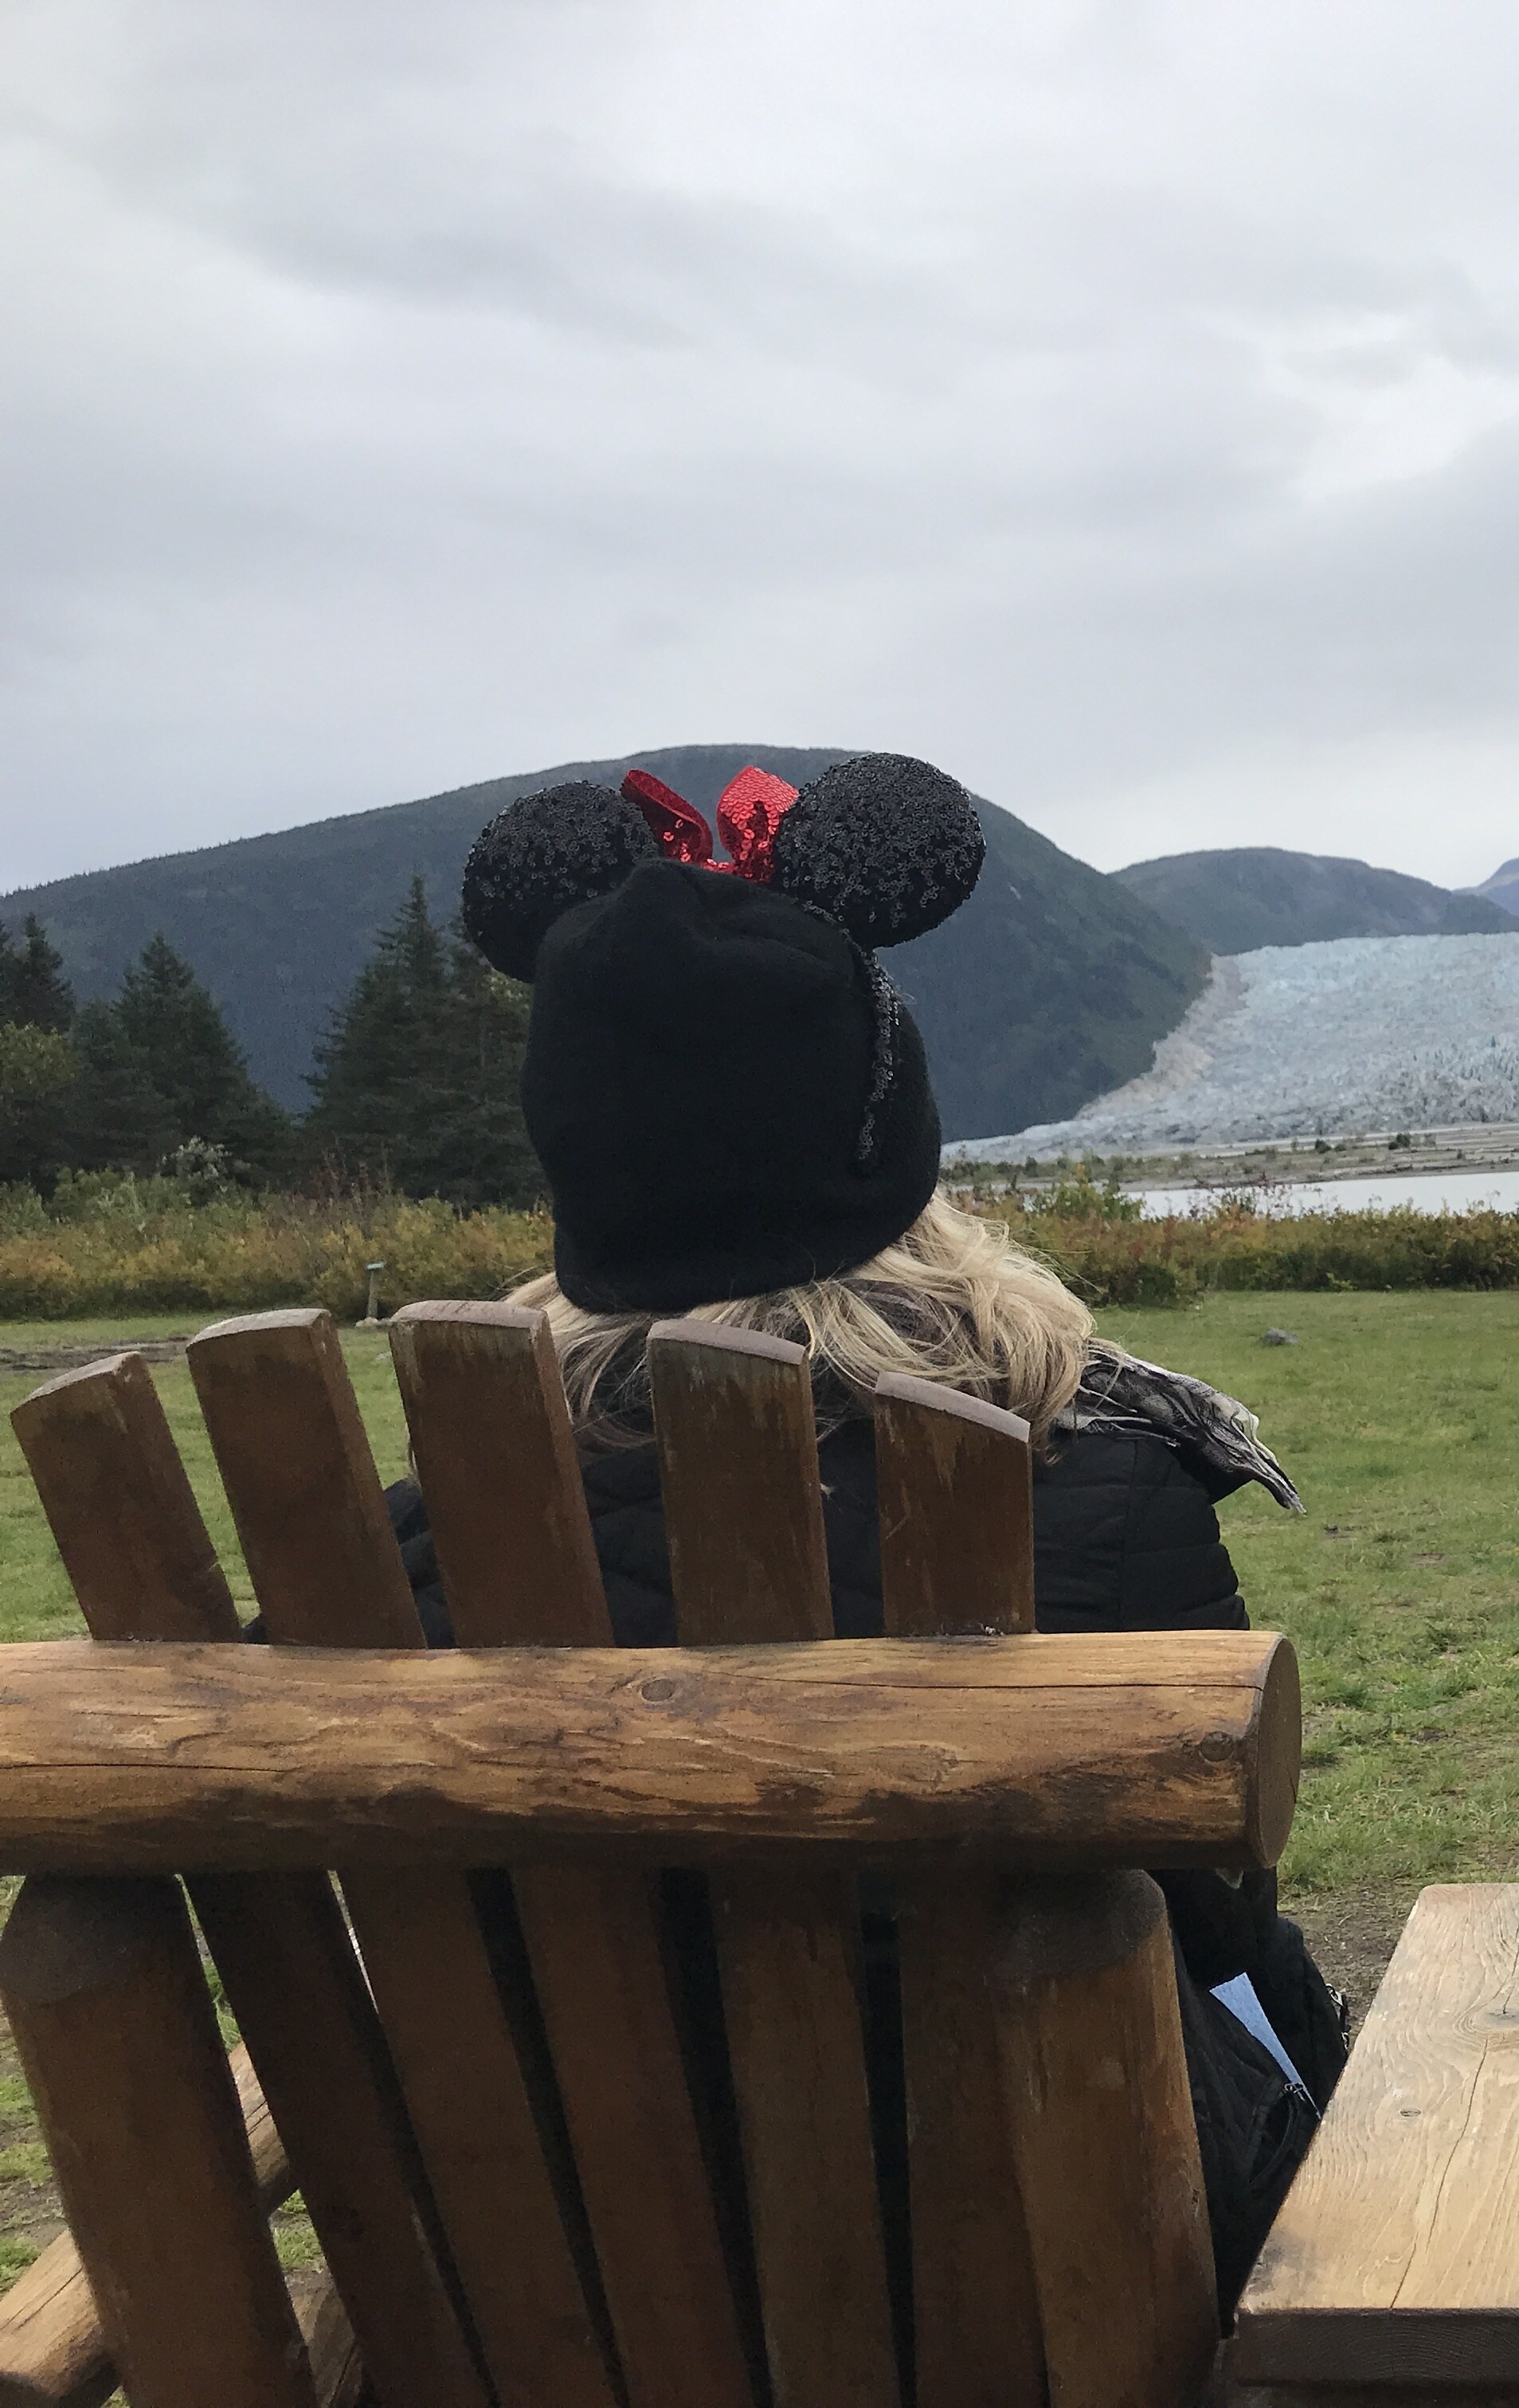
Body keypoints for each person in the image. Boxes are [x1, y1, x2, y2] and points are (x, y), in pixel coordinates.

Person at [401, 752, 1337, 2316]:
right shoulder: (1100, 1488)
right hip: (1061, 2291)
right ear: (892, 1134)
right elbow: (1215, 1910)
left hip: (595, 2298)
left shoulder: (422, 1555)